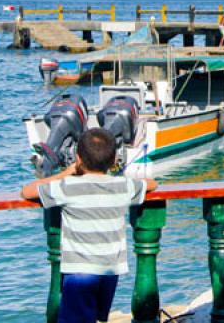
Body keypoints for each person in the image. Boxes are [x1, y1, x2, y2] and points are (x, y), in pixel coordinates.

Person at [21, 128, 158, 323]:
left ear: (78, 158)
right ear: (113, 161)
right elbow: (152, 184)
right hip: (110, 270)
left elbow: (27, 192)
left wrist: (66, 173)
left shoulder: (67, 187)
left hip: (80, 272)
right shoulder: (123, 186)